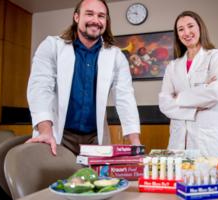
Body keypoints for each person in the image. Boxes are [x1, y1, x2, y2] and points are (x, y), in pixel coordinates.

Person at [26, 0, 141, 156]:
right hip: (58, 133)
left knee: (98, 180)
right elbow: (40, 88)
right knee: (56, 180)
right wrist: (45, 132)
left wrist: (135, 143)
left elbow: (125, 97)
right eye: (89, 14)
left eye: (101, 16)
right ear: (76, 17)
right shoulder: (52, 46)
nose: (95, 20)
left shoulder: (116, 56)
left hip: (96, 137)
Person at [158, 11, 218, 158]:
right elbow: (164, 103)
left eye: (190, 26)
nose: (186, 32)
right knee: (180, 179)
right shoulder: (173, 66)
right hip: (179, 142)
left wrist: (178, 97)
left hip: (210, 142)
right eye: (181, 29)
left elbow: (217, 92)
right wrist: (200, 95)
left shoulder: (217, 56)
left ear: (200, 28)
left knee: (212, 178)